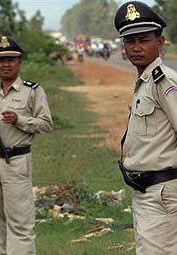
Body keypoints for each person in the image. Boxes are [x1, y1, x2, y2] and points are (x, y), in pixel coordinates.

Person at [0, 36, 53, 255]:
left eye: (11, 59)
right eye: (1, 60)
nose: (6, 64)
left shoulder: (32, 91)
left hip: (17, 161)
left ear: (19, 62)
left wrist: (20, 120)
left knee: (20, 224)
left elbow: (46, 124)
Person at [115, 1, 177, 254]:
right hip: (145, 190)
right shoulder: (145, 81)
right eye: (130, 41)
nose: (136, 48)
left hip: (161, 191)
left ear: (160, 42)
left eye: (144, 40)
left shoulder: (164, 81)